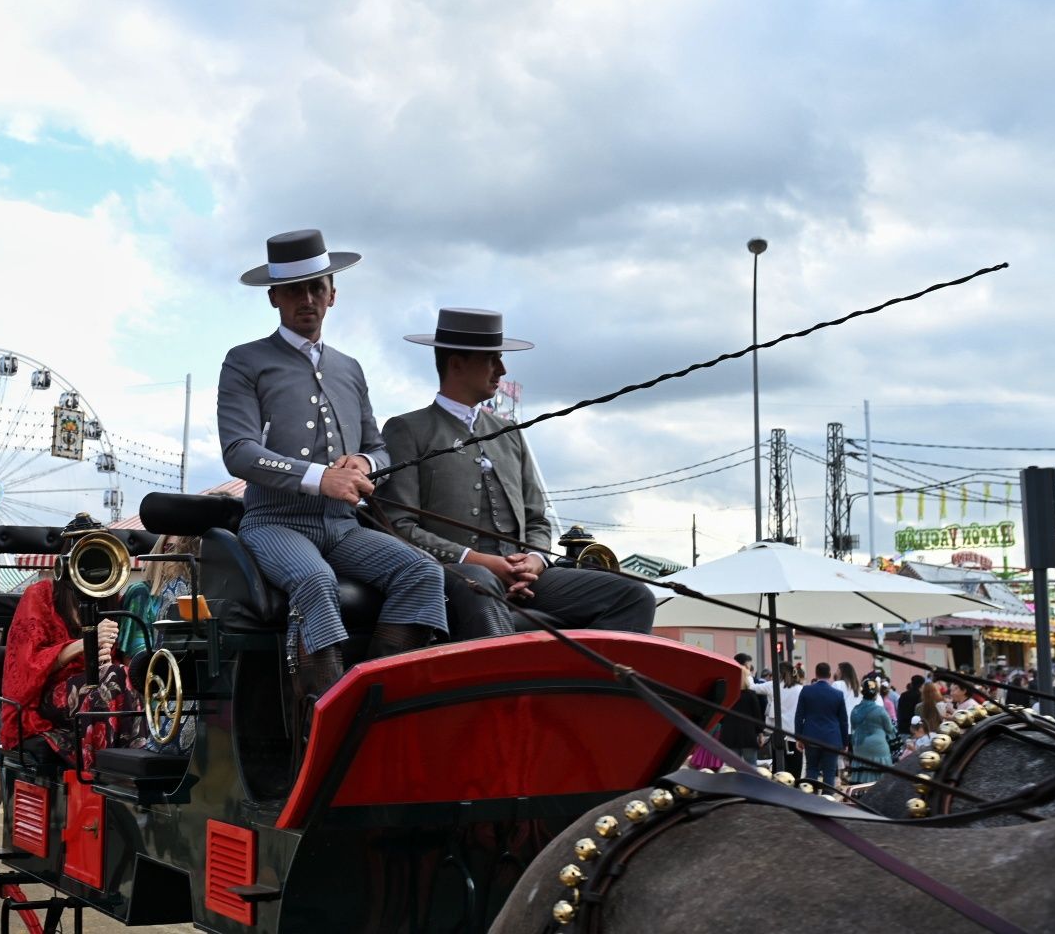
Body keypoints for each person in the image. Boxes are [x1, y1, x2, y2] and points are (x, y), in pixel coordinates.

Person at [216, 230, 447, 718]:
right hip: (275, 522)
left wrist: (364, 465)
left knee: (423, 572)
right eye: (295, 290)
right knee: (316, 581)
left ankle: (377, 706)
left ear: (333, 294)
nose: (307, 299)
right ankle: (326, 719)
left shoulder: (351, 368)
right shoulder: (245, 361)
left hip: (342, 527)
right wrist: (318, 477)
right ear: (273, 297)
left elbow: (380, 449)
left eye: (317, 287)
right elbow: (238, 452)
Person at [377, 308, 656, 638]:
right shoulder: (407, 429)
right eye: (492, 359)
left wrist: (535, 560)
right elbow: (398, 525)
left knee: (634, 596)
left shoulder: (509, 432)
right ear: (456, 363)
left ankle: (591, 689)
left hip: (526, 578)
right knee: (480, 585)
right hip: (453, 577)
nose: (502, 369)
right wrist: (477, 559)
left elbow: (537, 519)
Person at [0, 516, 140, 769]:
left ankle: (128, 765)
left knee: (129, 677)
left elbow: (117, 662)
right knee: (116, 679)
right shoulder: (40, 595)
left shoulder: (110, 598)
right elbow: (25, 668)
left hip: (100, 688)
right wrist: (86, 643)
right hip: (45, 697)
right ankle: (98, 771)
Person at [120, 534, 196, 658]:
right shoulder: (141, 592)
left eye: (186, 550)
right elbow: (135, 659)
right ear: (160, 550)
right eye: (171, 548)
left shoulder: (205, 590)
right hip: (158, 671)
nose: (179, 556)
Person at [796, 662, 849, 787]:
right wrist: (845, 742)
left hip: (810, 736)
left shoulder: (806, 690)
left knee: (811, 769)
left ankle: (809, 798)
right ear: (830, 675)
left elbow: (799, 716)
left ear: (816, 674)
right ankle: (827, 799)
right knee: (829, 773)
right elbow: (843, 720)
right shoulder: (837, 694)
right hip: (831, 738)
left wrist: (799, 737)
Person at [848, 678, 898, 784]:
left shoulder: (855, 710)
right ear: (876, 694)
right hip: (878, 748)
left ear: (862, 693)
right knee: (881, 781)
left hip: (859, 746)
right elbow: (889, 728)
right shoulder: (880, 711)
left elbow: (853, 727)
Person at [721, 669, 765, 765]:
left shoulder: (727, 694)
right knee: (751, 766)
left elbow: (721, 715)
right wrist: (760, 733)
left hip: (730, 734)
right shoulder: (751, 695)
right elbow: (757, 715)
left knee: (731, 766)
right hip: (748, 734)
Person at [895, 674, 924, 741]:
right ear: (921, 685)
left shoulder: (903, 695)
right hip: (916, 729)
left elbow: (899, 711)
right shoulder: (920, 696)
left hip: (903, 728)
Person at [831, 661, 860, 725]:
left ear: (841, 672)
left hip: (841, 721)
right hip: (855, 722)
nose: (836, 672)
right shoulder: (857, 687)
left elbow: (832, 703)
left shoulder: (837, 684)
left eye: (837, 669)